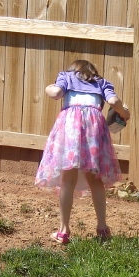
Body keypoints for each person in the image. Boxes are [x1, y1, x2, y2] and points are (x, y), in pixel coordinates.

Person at [35, 59, 131, 244]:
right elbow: (113, 101)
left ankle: (63, 231)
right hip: (94, 130)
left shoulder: (66, 77)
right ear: (92, 72)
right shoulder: (101, 82)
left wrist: (49, 87)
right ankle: (102, 228)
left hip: (70, 128)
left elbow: (55, 93)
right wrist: (124, 114)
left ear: (74, 70)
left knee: (67, 179)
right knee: (95, 179)